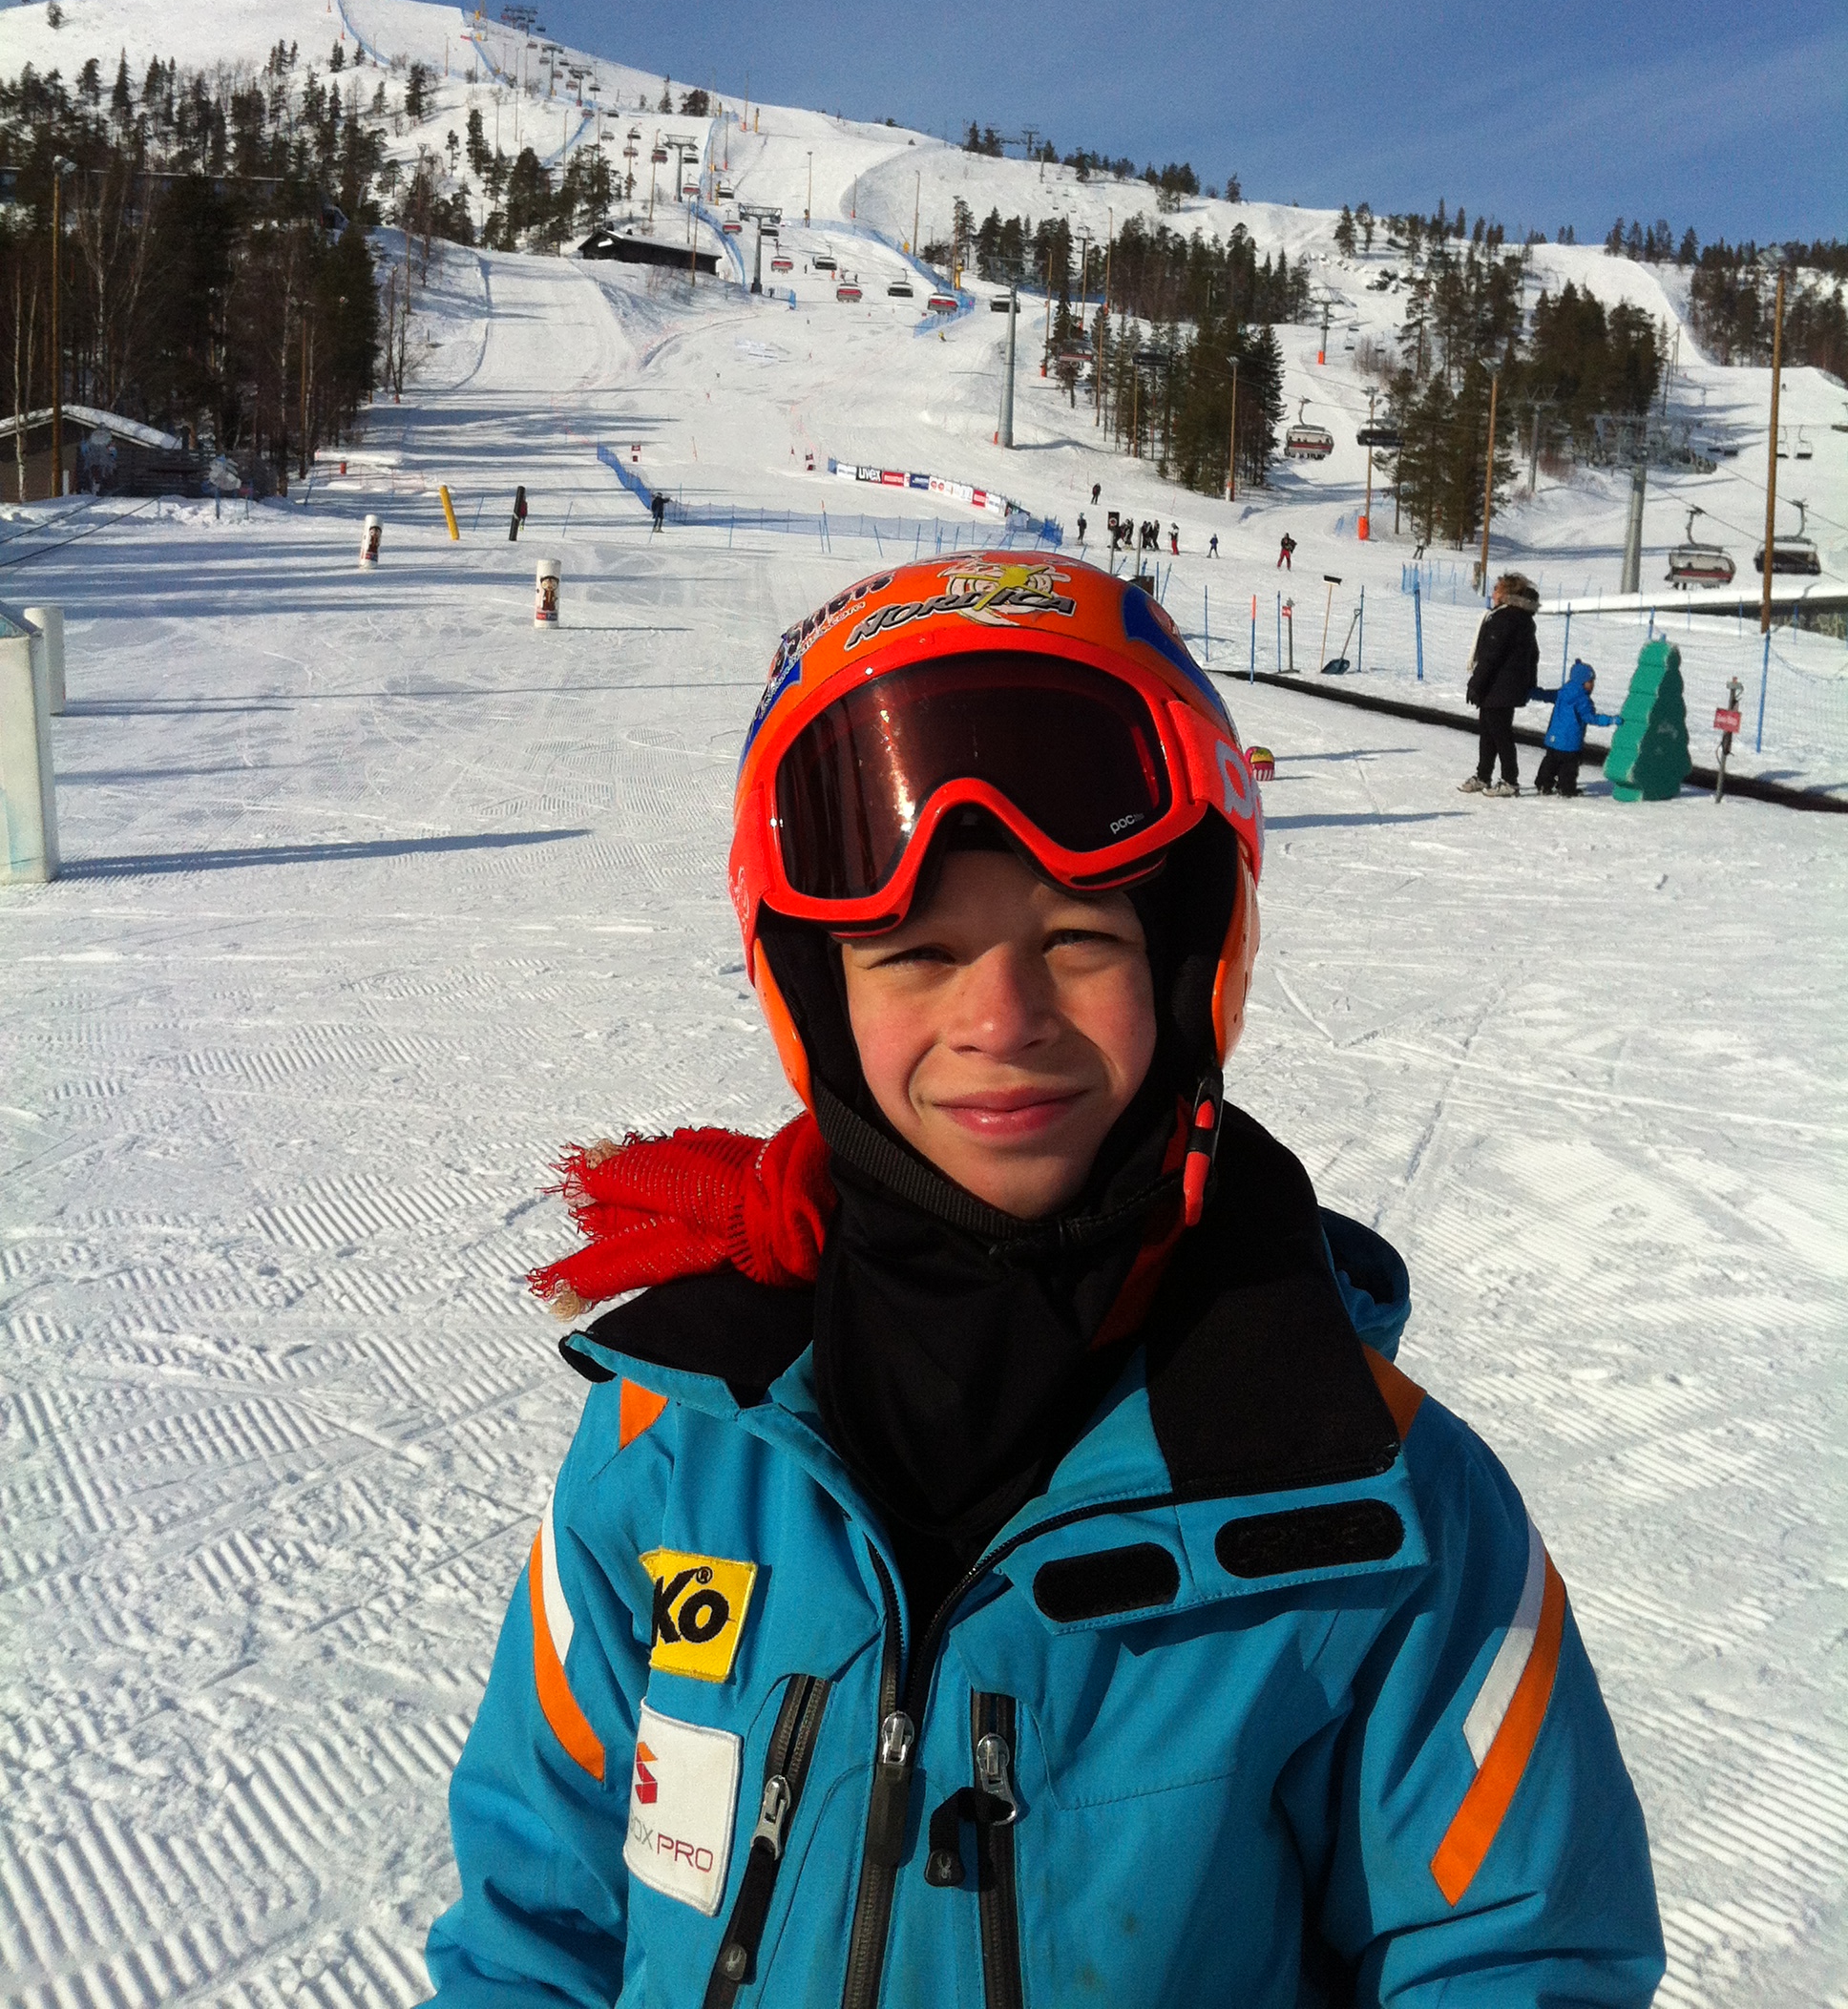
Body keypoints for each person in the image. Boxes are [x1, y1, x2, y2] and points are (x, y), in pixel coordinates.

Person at [427, 553, 1663, 2008]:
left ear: (1192, 966)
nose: (1000, 1019)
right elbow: (534, 1928)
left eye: (1077, 939)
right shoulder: (678, 1440)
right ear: (816, 998)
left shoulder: (1375, 1503)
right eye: (916, 954)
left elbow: (1514, 1962)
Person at [1460, 572, 1544, 795]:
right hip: (1504, 686)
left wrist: (1476, 683)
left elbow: (1491, 656)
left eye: (1496, 589)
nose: (1493, 593)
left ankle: (1510, 780)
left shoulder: (1505, 618)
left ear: (1506, 593)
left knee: (1500, 734)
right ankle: (1483, 776)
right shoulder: (1522, 618)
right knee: (1489, 733)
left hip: (1499, 686)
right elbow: (1533, 654)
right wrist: (1528, 683)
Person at [1533, 659, 1619, 797]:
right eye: (1590, 681)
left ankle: (1543, 784)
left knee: (1550, 762)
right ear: (1581, 682)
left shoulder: (1562, 692)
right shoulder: (1582, 700)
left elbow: (1547, 695)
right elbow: (1590, 718)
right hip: (1570, 742)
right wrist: (1610, 720)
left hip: (1554, 739)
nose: (1592, 685)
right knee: (1569, 768)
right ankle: (1566, 789)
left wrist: (1533, 693)